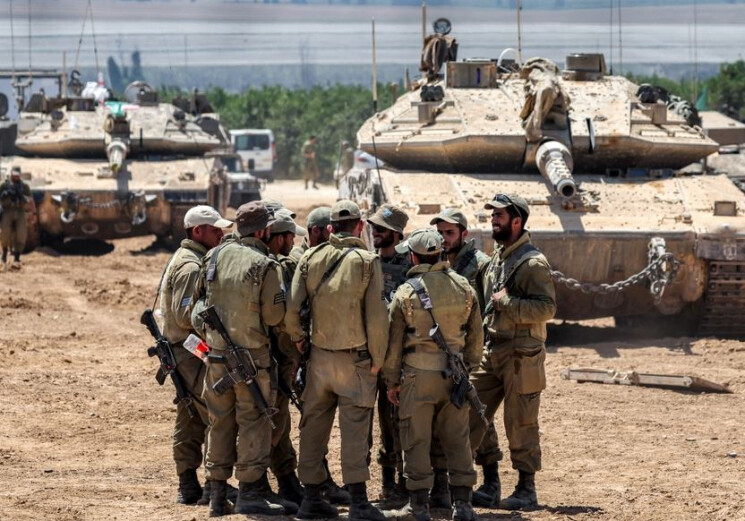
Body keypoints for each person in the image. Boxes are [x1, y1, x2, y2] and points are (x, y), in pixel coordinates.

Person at [190, 201, 295, 517]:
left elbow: (196, 309)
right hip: (252, 361)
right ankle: (250, 493)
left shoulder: (214, 256)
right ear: (263, 231)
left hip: (216, 357)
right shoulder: (266, 265)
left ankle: (217, 495)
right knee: (254, 421)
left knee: (220, 421)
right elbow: (275, 316)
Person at [285, 200, 389, 521]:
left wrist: (300, 339)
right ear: (360, 226)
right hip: (355, 361)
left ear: (330, 228)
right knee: (354, 430)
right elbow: (377, 318)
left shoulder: (310, 257)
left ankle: (310, 500)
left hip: (318, 359)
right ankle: (358, 503)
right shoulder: (367, 262)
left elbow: (292, 309)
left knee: (313, 428)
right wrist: (378, 360)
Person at [384, 228, 483, 521]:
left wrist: (392, 381)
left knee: (416, 439)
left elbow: (394, 346)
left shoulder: (406, 292)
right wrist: (467, 368)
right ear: (440, 253)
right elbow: (476, 338)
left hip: (417, 376)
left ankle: (418, 506)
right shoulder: (464, 287)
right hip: (455, 375)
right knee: (458, 439)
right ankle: (463, 505)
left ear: (414, 257)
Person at [468, 194, 556, 511]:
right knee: (469, 410)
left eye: (499, 216)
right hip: (492, 348)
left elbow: (547, 308)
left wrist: (507, 302)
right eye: (492, 215)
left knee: (520, 422)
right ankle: (489, 483)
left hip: (521, 353)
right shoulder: (498, 257)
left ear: (516, 221)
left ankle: (526, 489)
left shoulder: (532, 263)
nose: (493, 220)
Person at [158, 205, 233, 505]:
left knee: (189, 418)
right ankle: (214, 484)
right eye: (215, 229)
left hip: (183, 352)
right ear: (198, 231)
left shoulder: (188, 258)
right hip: (189, 352)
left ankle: (188, 483)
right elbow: (185, 315)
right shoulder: (190, 266)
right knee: (215, 414)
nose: (221, 234)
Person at [429, 207, 492, 505]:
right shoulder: (436, 261)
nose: (444, 238)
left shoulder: (480, 265)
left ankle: (492, 480)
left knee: (477, 413)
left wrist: (475, 352)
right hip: (442, 351)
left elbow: (487, 310)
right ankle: (441, 484)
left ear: (464, 234)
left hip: (469, 352)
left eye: (450, 233)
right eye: (440, 232)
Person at [366, 203, 410, 505]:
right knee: (371, 422)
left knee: (397, 421)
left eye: (381, 229)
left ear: (396, 234)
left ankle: (402, 482)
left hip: (398, 358)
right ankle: (384, 482)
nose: (375, 233)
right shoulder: (367, 263)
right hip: (369, 357)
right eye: (374, 228)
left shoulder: (408, 266)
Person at [266, 208, 308, 505]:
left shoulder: (275, 263)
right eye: (290, 236)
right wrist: (292, 355)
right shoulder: (270, 267)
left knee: (279, 421)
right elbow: (278, 319)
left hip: (275, 357)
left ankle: (286, 479)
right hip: (270, 356)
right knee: (270, 422)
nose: (294, 242)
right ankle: (255, 484)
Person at [0, 166, 32, 270]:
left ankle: (17, 257)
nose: (16, 177)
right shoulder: (4, 185)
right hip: (7, 210)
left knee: (21, 233)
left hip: (20, 210)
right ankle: (4, 254)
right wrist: (5, 194)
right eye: (14, 175)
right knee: (5, 232)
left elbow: (29, 199)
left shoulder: (24, 186)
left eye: (17, 175)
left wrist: (22, 197)